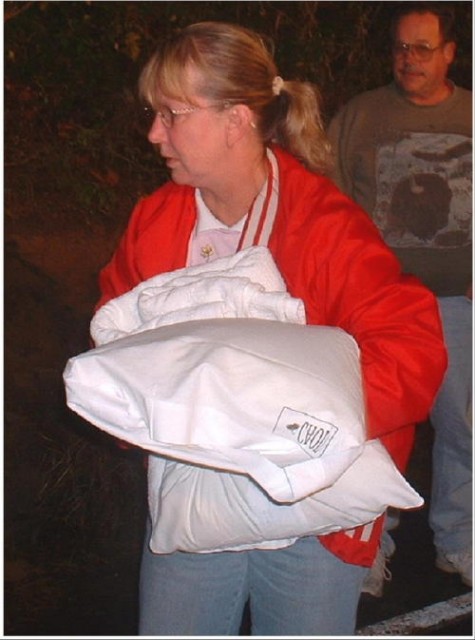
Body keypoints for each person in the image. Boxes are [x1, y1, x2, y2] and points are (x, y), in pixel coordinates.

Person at [95, 21, 446, 636]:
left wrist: (293, 420)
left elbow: (412, 349)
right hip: (193, 504)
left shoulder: (325, 227)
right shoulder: (155, 222)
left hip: (312, 518)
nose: (154, 133)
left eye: (172, 114)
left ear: (236, 119)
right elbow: (118, 342)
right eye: (155, 113)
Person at [328, 2, 472, 597]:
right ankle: (369, 551)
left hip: (458, 305)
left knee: (466, 428)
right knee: (377, 427)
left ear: (449, 53)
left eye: (422, 48)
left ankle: (461, 544)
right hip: (381, 307)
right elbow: (325, 204)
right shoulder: (361, 116)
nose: (408, 60)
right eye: (400, 48)